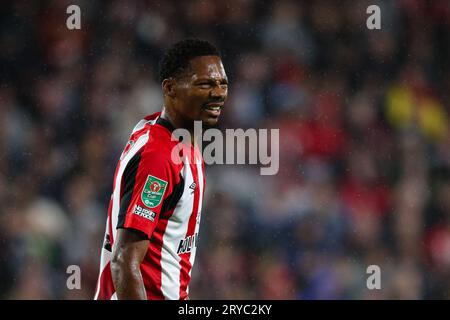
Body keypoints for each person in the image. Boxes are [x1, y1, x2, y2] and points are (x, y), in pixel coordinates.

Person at [94, 38, 228, 300]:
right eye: (205, 84)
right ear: (170, 88)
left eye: (222, 83)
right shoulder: (160, 156)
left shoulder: (175, 137)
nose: (218, 93)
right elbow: (124, 260)